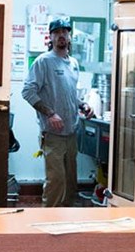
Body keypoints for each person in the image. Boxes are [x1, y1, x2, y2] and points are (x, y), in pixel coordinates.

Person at [22, 15, 90, 207]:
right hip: (53, 135)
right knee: (56, 180)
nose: (61, 35)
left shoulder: (73, 63)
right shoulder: (44, 62)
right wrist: (50, 114)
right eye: (57, 32)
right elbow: (27, 91)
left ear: (70, 36)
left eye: (65, 32)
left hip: (71, 133)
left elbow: (69, 94)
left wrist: (82, 105)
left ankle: (65, 222)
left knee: (70, 182)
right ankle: (48, 218)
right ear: (50, 37)